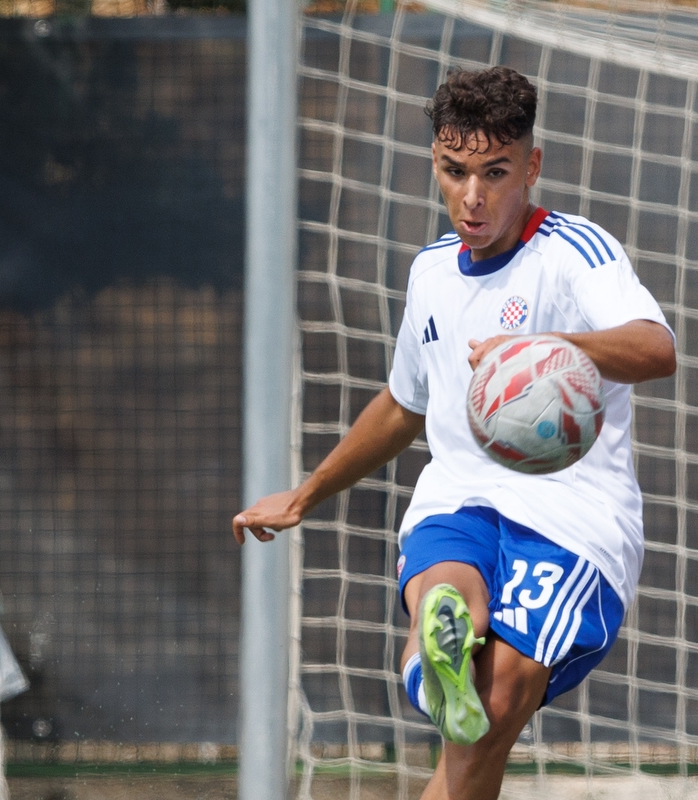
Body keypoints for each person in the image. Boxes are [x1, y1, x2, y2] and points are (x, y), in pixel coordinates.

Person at [231, 66, 675, 800]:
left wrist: (549, 349)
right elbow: (405, 406)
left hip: (568, 520)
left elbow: (656, 349)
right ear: (435, 165)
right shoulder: (431, 271)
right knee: (452, 607)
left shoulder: (575, 252)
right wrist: (307, 493)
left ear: (530, 167)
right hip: (458, 498)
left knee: (490, 711)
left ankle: (432, 664)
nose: (473, 197)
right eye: (455, 171)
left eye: (495, 173)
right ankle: (437, 639)